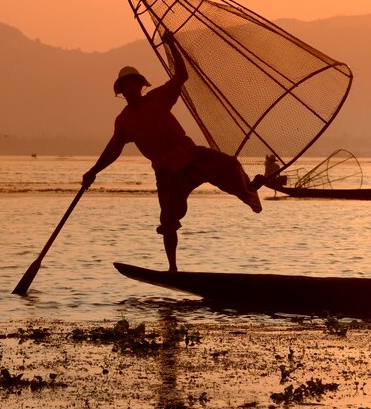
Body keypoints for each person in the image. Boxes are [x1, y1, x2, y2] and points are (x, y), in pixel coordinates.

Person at [82, 31, 262, 271]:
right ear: (122, 91)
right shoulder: (124, 121)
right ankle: (173, 269)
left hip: (189, 155)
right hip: (167, 172)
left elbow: (181, 75)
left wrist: (172, 44)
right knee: (168, 221)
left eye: (133, 84)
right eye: (125, 87)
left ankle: (249, 190)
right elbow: (112, 150)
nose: (130, 89)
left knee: (229, 164)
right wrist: (93, 171)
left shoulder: (157, 98)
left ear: (140, 86)